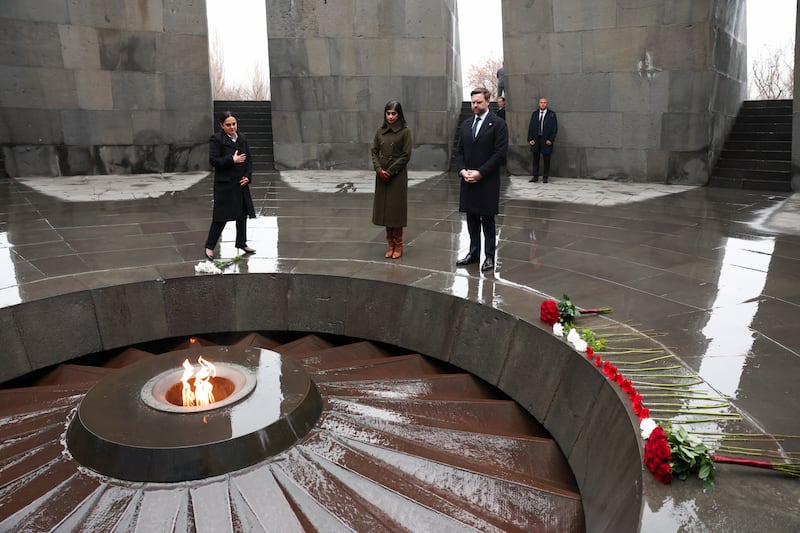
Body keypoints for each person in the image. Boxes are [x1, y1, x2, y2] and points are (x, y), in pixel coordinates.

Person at [454, 87, 509, 272]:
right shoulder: (467, 124)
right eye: (473, 102)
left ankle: (490, 256)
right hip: (468, 180)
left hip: (487, 181)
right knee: (471, 219)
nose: (475, 106)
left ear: (487, 102)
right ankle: (474, 253)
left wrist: (480, 172)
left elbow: (500, 154)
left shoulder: (498, 124)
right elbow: (459, 151)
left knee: (487, 221)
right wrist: (462, 170)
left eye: (478, 102)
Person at [203, 111, 256, 260]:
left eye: (234, 124)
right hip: (224, 184)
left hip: (240, 183)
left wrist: (248, 176)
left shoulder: (242, 138)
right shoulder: (216, 139)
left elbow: (249, 160)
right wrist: (231, 160)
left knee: (242, 215)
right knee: (220, 217)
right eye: (228, 125)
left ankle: (241, 243)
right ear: (221, 125)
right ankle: (209, 247)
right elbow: (213, 161)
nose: (232, 127)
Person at [371, 100, 412, 259]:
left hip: (397, 176)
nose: (390, 116)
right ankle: (390, 243)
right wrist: (378, 169)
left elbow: (406, 155)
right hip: (382, 175)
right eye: (388, 113)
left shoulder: (405, 132)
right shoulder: (379, 131)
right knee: (385, 210)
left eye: (393, 113)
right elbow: (373, 151)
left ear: (399, 114)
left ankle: (399, 244)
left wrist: (390, 171)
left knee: (396, 210)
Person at [527, 97, 558, 183]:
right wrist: (530, 139)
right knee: (535, 159)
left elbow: (554, 128)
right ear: (539, 104)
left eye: (544, 102)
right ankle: (535, 176)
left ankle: (545, 177)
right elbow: (531, 127)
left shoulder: (551, 114)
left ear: (546, 104)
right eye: (541, 102)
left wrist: (550, 140)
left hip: (546, 140)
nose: (543, 104)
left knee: (546, 159)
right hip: (536, 140)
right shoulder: (535, 114)